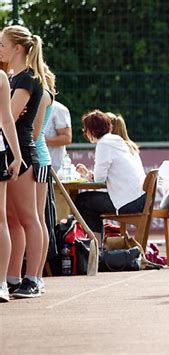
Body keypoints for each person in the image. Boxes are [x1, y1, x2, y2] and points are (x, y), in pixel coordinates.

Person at [0, 25, 46, 298]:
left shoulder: (27, 79)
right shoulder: (11, 77)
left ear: (18, 47)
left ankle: (34, 278)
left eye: (3, 44)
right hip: (8, 151)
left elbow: (10, 116)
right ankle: (13, 276)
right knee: (12, 219)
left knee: (29, 217)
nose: (0, 48)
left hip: (24, 154)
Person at [75, 110, 146, 240]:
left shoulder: (104, 144)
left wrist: (87, 175)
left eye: (85, 130)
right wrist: (88, 174)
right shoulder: (118, 141)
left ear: (91, 130)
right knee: (87, 201)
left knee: (83, 201)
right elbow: (101, 178)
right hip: (140, 198)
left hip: (129, 201)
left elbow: (99, 179)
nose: (85, 133)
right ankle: (98, 245)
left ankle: (96, 246)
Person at [32, 64, 56, 294]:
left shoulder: (42, 94)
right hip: (35, 157)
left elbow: (35, 132)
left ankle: (37, 276)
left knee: (37, 218)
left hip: (38, 159)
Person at [0, 70, 22, 303]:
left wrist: (16, 155)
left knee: (0, 218)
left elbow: (6, 118)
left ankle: (1, 283)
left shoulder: (1, 78)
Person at [44, 100, 72, 172]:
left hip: (56, 168)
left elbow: (67, 138)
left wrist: (40, 141)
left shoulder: (58, 109)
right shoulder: (28, 104)